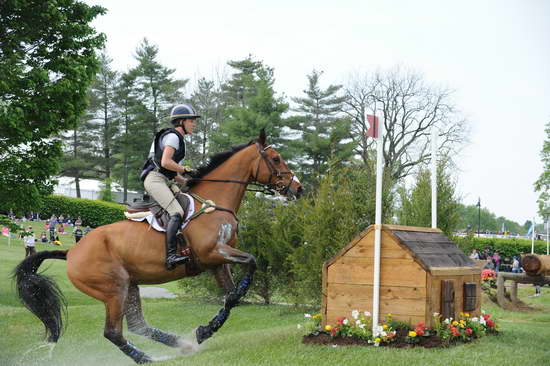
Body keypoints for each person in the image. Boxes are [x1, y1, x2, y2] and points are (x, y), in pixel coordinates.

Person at [140, 103, 200, 270]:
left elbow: (172, 173)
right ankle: (171, 256)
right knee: (177, 212)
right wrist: (185, 169)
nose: (194, 124)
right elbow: (166, 162)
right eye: (191, 121)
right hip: (155, 180)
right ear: (181, 121)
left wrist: (188, 182)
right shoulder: (173, 137)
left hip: (165, 180)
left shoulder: (178, 139)